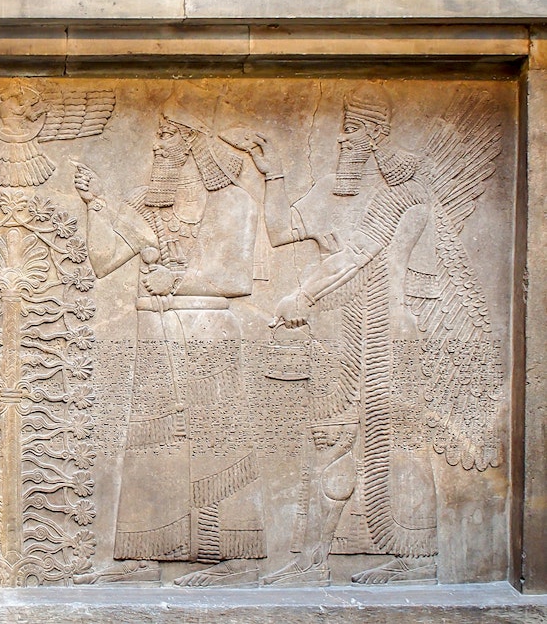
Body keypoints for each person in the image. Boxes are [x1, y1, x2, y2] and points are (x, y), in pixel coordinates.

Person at [71, 91, 283, 587]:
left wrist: (177, 281)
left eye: (168, 135)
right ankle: (148, 556)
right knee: (154, 443)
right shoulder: (148, 201)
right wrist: (96, 205)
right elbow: (102, 262)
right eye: (159, 134)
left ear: (192, 141)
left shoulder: (233, 199)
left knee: (216, 445)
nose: (158, 145)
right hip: (157, 330)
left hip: (207, 331)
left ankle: (231, 560)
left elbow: (234, 278)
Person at [260, 84, 439, 585]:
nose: (342, 140)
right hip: (337, 334)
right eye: (342, 127)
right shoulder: (330, 191)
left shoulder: (401, 198)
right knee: (330, 439)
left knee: (397, 442)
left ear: (377, 136)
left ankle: (417, 560)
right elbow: (279, 233)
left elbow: (356, 256)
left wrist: (303, 296)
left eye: (355, 129)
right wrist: (272, 172)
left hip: (386, 331)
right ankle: (313, 562)